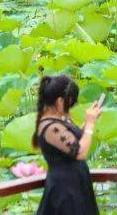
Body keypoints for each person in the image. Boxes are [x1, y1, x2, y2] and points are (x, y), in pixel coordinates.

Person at [33, 74, 103, 215]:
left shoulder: (60, 121)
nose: (71, 106)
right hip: (64, 191)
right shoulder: (51, 127)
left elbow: (75, 141)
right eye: (70, 102)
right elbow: (79, 152)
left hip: (77, 186)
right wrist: (90, 124)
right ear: (60, 101)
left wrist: (89, 121)